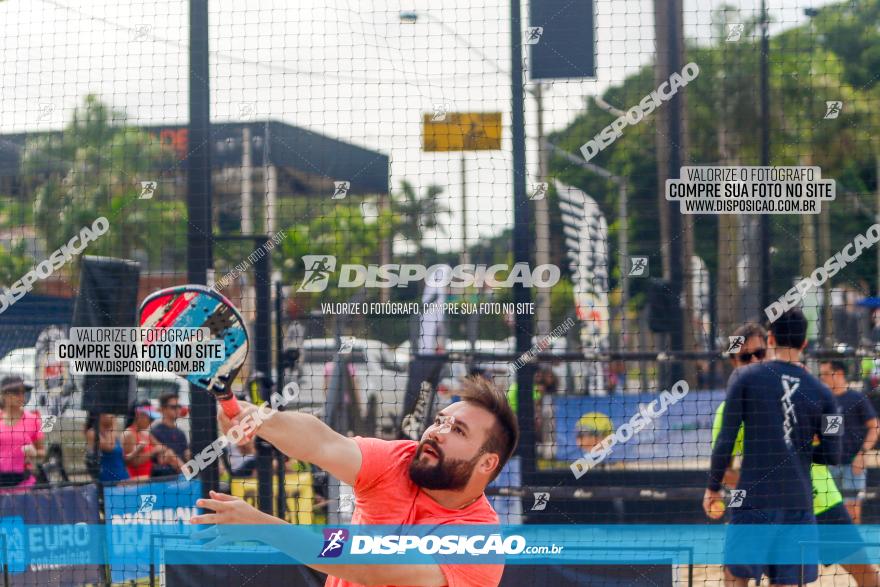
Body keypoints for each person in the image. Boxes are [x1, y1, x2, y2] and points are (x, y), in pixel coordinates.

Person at [192, 376, 519, 587]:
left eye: (458, 430)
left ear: (487, 463)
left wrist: (263, 526)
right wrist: (259, 418)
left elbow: (371, 567)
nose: (436, 432)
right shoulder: (401, 459)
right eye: (439, 420)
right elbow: (323, 442)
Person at [712, 324, 880, 586]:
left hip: (821, 501)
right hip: (763, 505)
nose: (754, 361)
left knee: (865, 573)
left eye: (759, 353)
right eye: (745, 357)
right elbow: (724, 470)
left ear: (771, 348)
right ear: (734, 361)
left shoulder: (803, 390)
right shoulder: (729, 408)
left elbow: (831, 438)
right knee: (735, 575)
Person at [820, 360, 879, 524]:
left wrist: (862, 453)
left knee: (852, 509)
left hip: (852, 464)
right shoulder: (826, 401)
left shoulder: (856, 398)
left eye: (825, 374)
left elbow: (875, 427)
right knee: (829, 510)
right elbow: (829, 434)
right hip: (830, 465)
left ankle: (854, 547)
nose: (822, 378)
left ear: (838, 374)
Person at [0, 376, 45, 491]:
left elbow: (42, 452)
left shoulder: (33, 419)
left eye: (23, 392)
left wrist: (34, 453)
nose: (21, 396)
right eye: (16, 393)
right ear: (5, 395)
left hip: (24, 484)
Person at [122, 400, 165, 481]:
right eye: (150, 418)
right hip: (135, 483)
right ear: (138, 415)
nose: (151, 421)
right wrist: (153, 451)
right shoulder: (129, 434)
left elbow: (163, 448)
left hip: (147, 480)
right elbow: (132, 463)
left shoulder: (145, 433)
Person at [150, 393, 189, 478]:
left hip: (182, 476)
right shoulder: (155, 431)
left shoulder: (180, 432)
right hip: (165, 478)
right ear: (163, 409)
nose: (178, 409)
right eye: (173, 407)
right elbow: (162, 459)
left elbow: (187, 454)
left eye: (179, 406)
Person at [85, 412, 129, 484]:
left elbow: (121, 456)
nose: (112, 416)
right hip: (106, 479)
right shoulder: (92, 432)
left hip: (123, 478)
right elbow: (109, 447)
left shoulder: (113, 433)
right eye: (107, 413)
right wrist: (113, 424)